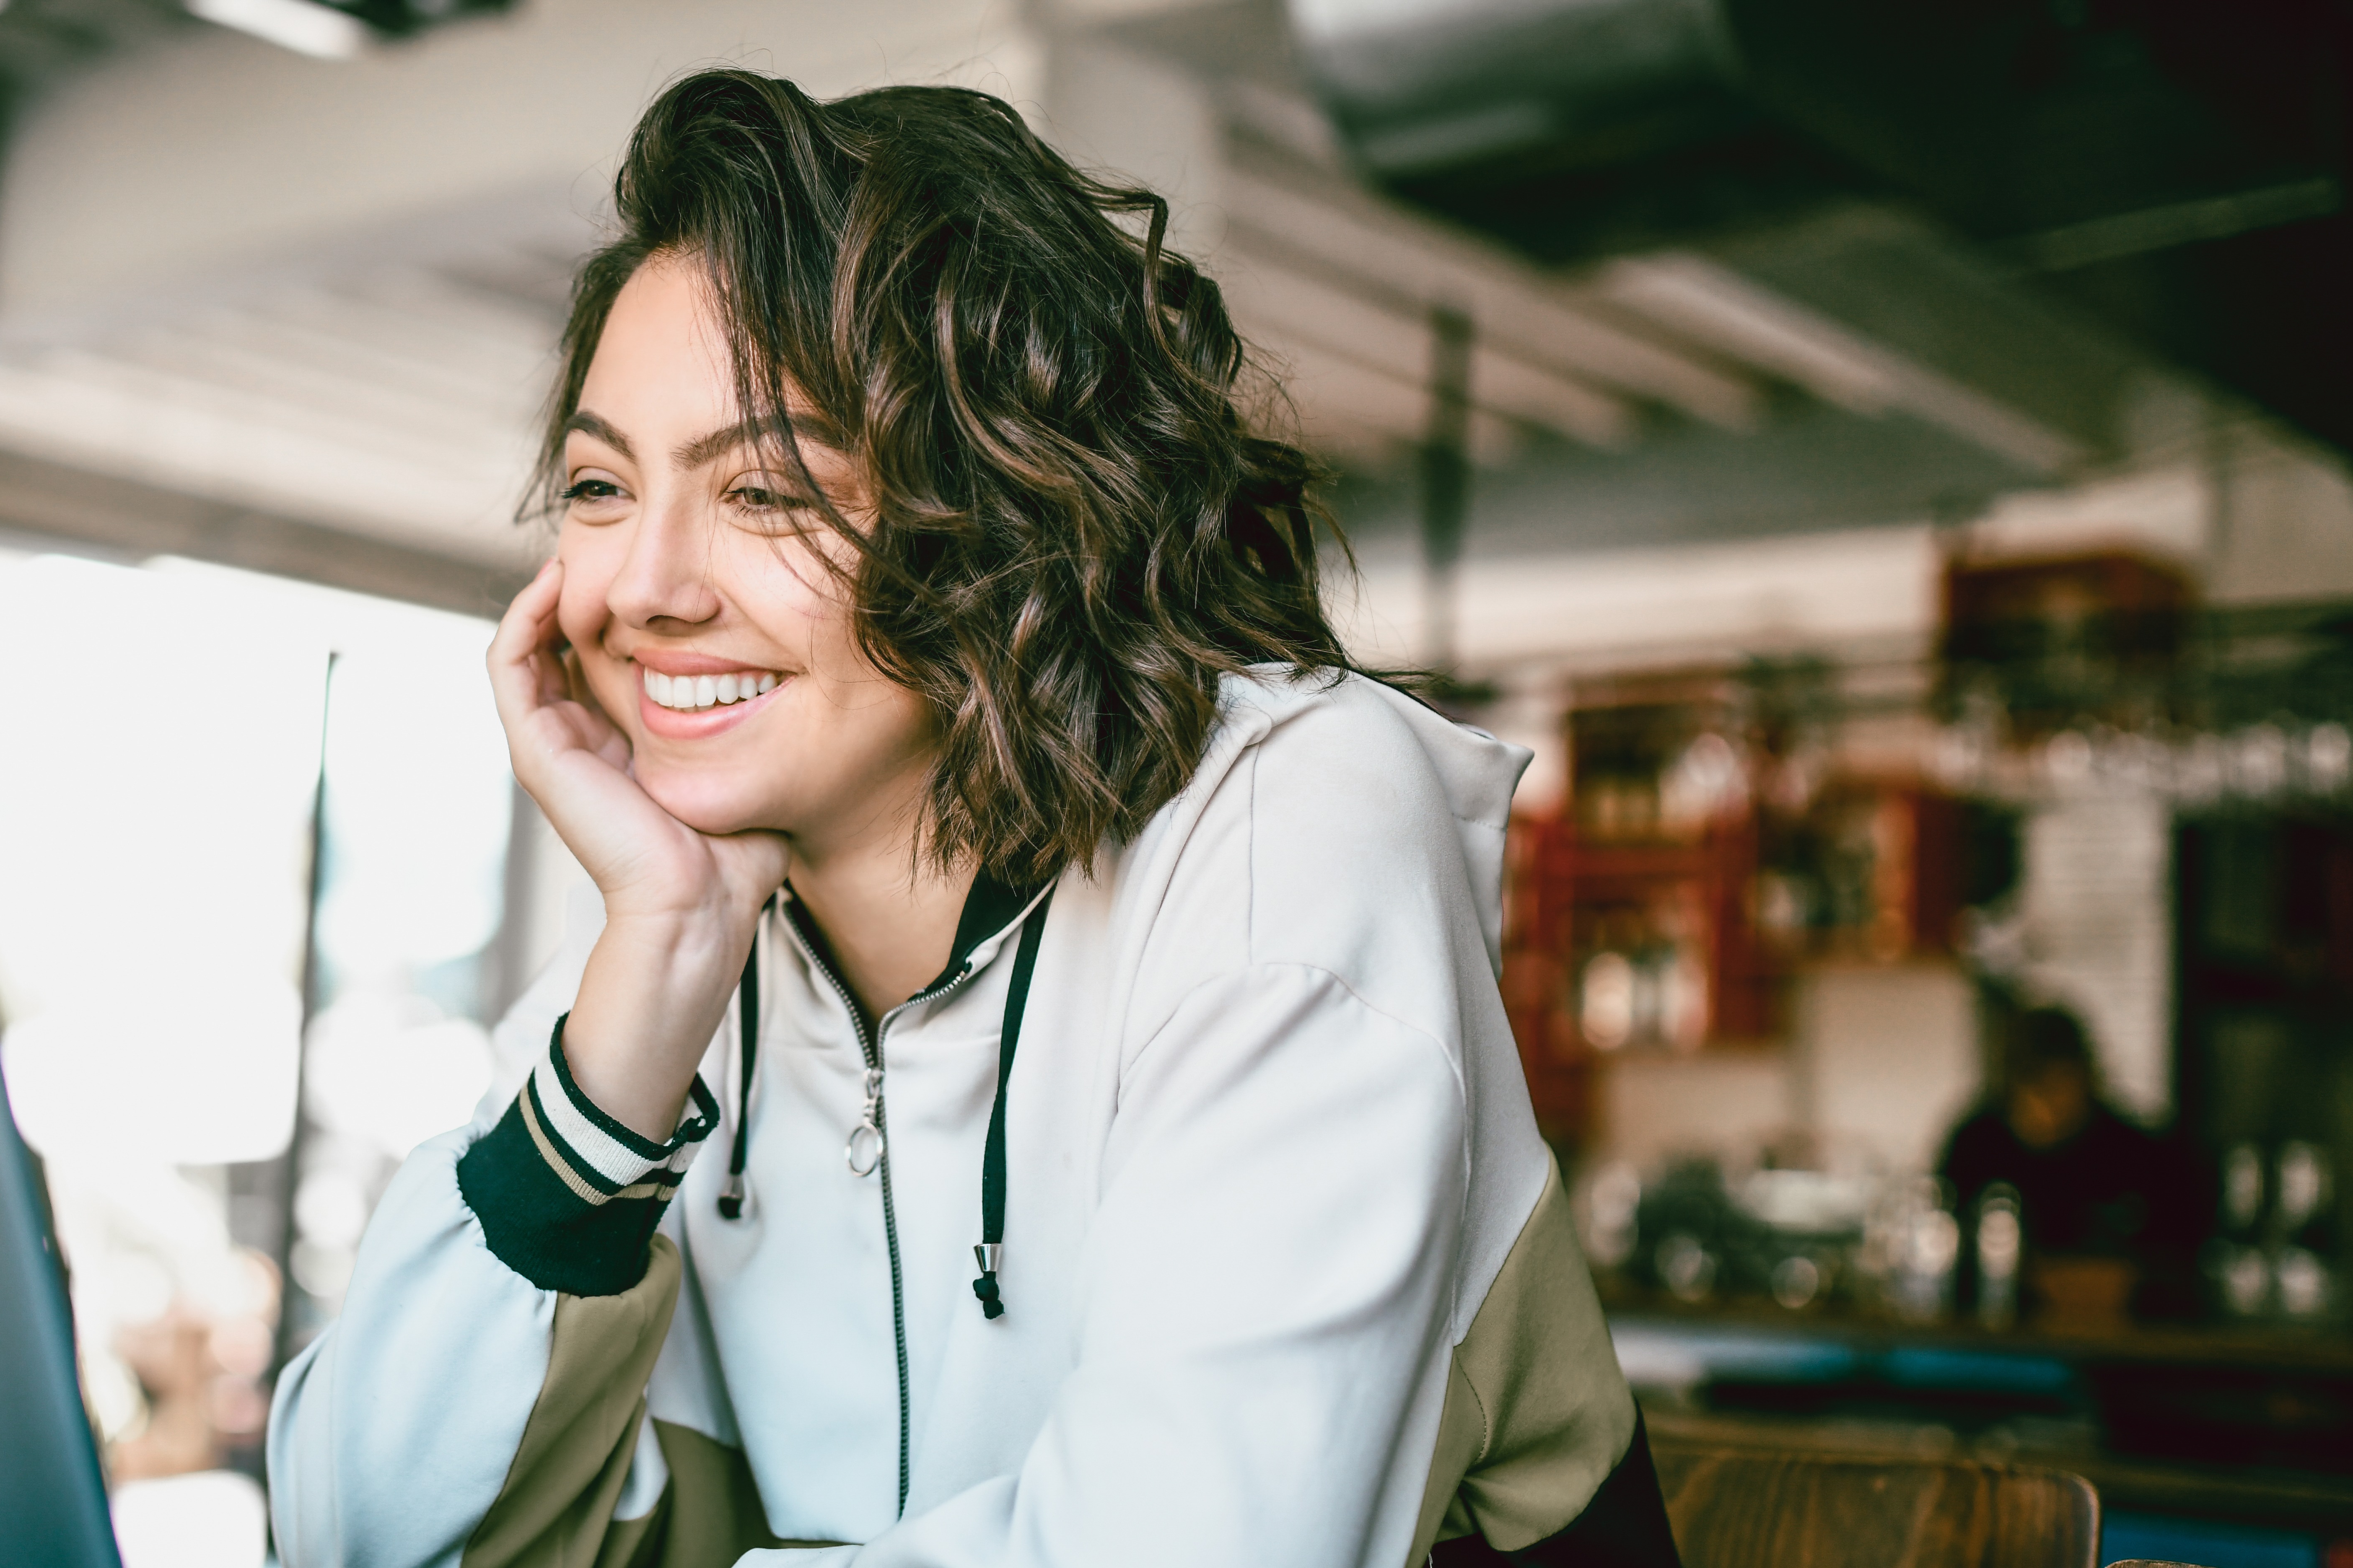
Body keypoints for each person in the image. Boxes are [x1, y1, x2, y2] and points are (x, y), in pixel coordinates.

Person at [266, 70, 1678, 1567]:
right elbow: (351, 1535)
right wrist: (659, 955)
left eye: (763, 489)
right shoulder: (694, 934)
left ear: (998, 509)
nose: (638, 588)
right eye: (601, 485)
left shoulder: (1285, 829)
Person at [1938, 1004, 2206, 1322]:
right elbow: (1938, 1251)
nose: (2048, 1105)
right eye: (2034, 1088)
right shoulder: (1977, 1145)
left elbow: (2190, 1267)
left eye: (2061, 1085)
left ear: (2089, 1078)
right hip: (1999, 1342)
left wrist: (2127, 1280)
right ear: (2008, 1089)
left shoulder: (2144, 1155)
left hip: (2119, 1348)